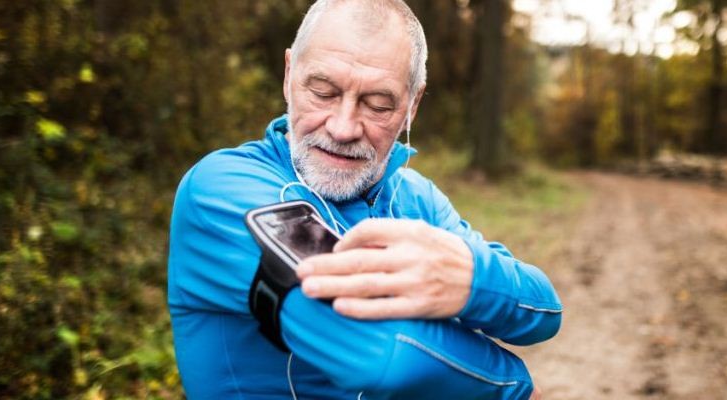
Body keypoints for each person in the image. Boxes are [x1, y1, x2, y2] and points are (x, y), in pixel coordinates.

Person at [166, 0, 561, 398]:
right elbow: (385, 353)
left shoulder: (417, 198)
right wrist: (518, 389)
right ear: (289, 75)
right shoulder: (223, 188)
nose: (342, 128)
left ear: (412, 105)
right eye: (322, 92)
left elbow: (542, 311)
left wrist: (472, 278)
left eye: (378, 104)